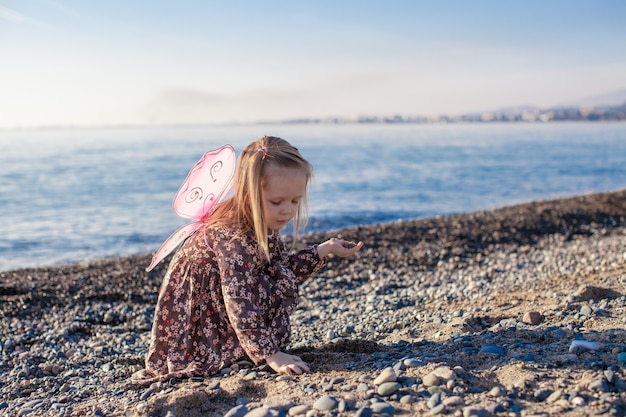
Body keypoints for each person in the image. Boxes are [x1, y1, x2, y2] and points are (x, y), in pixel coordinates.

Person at [133, 136, 363, 383]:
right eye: (277, 202)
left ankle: (245, 344)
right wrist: (270, 354)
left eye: (295, 201)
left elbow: (281, 269)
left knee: (269, 280)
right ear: (249, 194)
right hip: (198, 309)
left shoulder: (261, 223)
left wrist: (323, 250)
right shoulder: (234, 238)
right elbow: (238, 299)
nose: (287, 210)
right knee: (259, 289)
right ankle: (236, 346)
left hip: (222, 298)